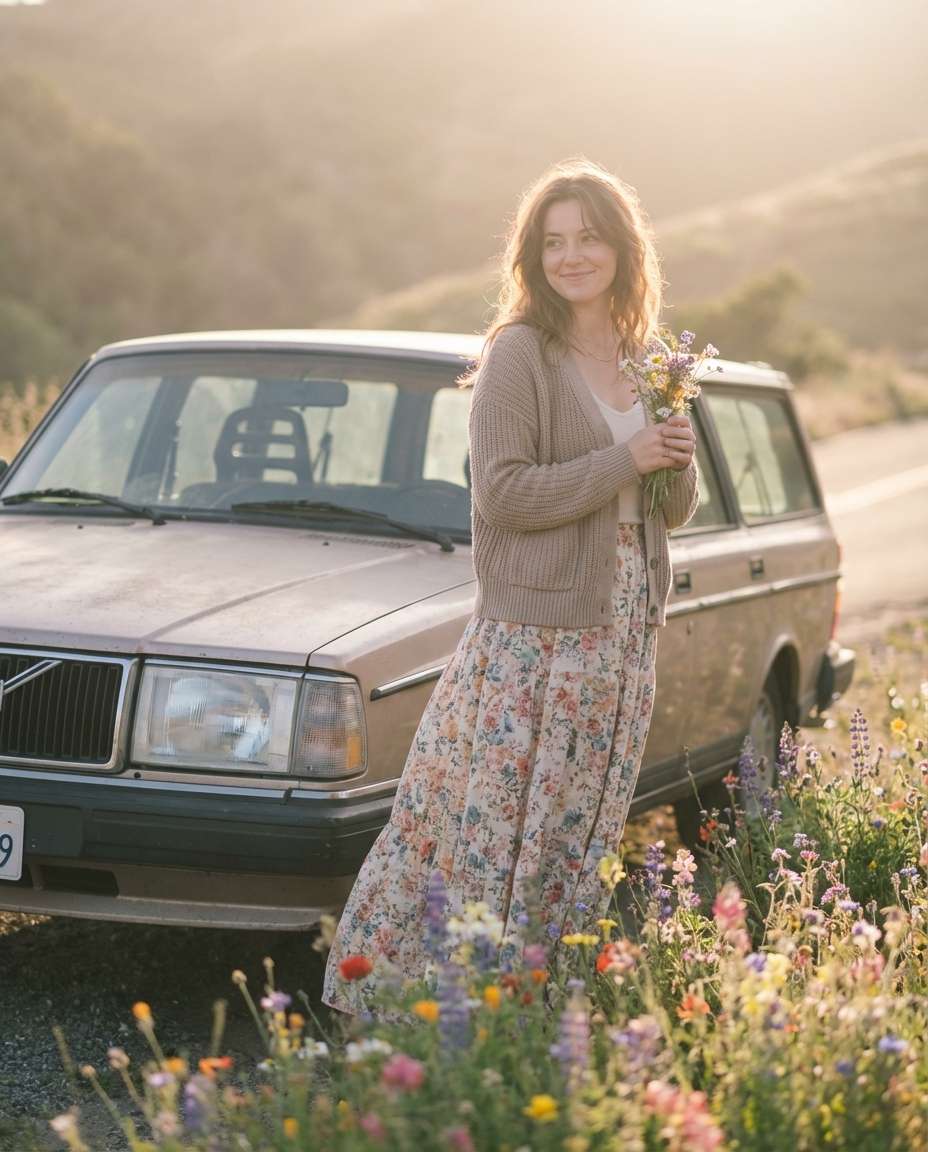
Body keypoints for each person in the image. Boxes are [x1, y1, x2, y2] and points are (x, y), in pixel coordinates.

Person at [321, 157, 698, 1016]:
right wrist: (624, 458)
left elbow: (669, 504)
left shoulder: (649, 356)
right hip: (537, 642)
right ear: (533, 256)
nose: (572, 256)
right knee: (488, 830)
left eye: (589, 238)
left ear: (621, 249)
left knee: (577, 830)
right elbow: (503, 492)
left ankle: (531, 1006)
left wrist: (673, 448)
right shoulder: (518, 354)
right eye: (554, 241)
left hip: (624, 636)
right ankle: (416, 1007)